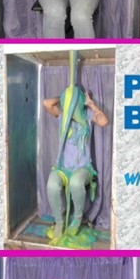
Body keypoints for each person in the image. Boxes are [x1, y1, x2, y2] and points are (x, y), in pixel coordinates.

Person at [42, 86, 109, 244]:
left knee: (76, 183)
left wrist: (91, 105)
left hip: (83, 168)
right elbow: (46, 103)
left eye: (73, 101)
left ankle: (77, 219)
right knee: (52, 185)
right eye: (68, 101)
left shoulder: (87, 117)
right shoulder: (62, 117)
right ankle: (59, 222)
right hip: (63, 168)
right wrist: (64, 97)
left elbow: (104, 121)